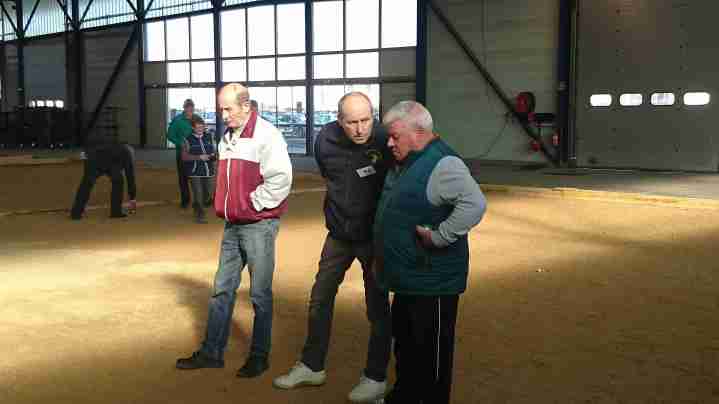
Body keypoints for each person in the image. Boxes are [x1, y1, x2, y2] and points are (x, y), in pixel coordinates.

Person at [273, 92, 392, 403]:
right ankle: (312, 366)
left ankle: (376, 377)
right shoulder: (324, 140)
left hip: (373, 239)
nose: (360, 129)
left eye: (365, 120)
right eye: (352, 122)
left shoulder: (384, 139)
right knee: (320, 299)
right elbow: (333, 179)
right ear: (339, 121)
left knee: (378, 308)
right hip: (338, 235)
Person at [176, 83, 292, 378]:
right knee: (222, 289)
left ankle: (259, 356)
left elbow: (281, 180)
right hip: (232, 225)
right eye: (221, 109)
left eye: (228, 109)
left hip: (258, 226)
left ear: (246, 106)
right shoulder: (227, 137)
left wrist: (252, 205)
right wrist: (232, 207)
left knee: (260, 294)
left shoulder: (267, 135)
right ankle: (212, 352)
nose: (223, 115)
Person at [374, 101, 487, 404]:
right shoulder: (409, 160)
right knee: (406, 344)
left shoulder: (444, 164)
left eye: (395, 136)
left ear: (419, 132)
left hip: (432, 282)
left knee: (431, 355)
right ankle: (405, 396)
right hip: (409, 276)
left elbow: (475, 204)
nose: (389, 143)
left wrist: (440, 237)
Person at [70, 142, 137, 220]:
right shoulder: (127, 153)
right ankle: (116, 211)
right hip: (105, 162)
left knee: (86, 184)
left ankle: (76, 213)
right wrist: (132, 197)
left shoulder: (115, 146)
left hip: (92, 159)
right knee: (118, 181)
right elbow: (130, 176)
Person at [181, 115, 216, 224]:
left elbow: (214, 151)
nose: (200, 129)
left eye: (202, 127)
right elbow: (184, 157)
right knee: (198, 192)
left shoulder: (209, 137)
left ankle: (197, 205)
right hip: (194, 171)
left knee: (208, 193)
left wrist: (213, 155)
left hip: (208, 170)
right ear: (193, 128)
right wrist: (199, 157)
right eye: (198, 127)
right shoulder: (187, 140)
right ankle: (200, 213)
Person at [168, 98, 195, 208]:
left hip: (195, 153)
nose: (190, 110)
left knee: (196, 177)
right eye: (188, 107)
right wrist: (181, 144)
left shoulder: (196, 119)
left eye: (191, 108)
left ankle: (199, 200)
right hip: (182, 153)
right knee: (183, 178)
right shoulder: (177, 120)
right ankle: (185, 200)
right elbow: (170, 135)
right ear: (184, 108)